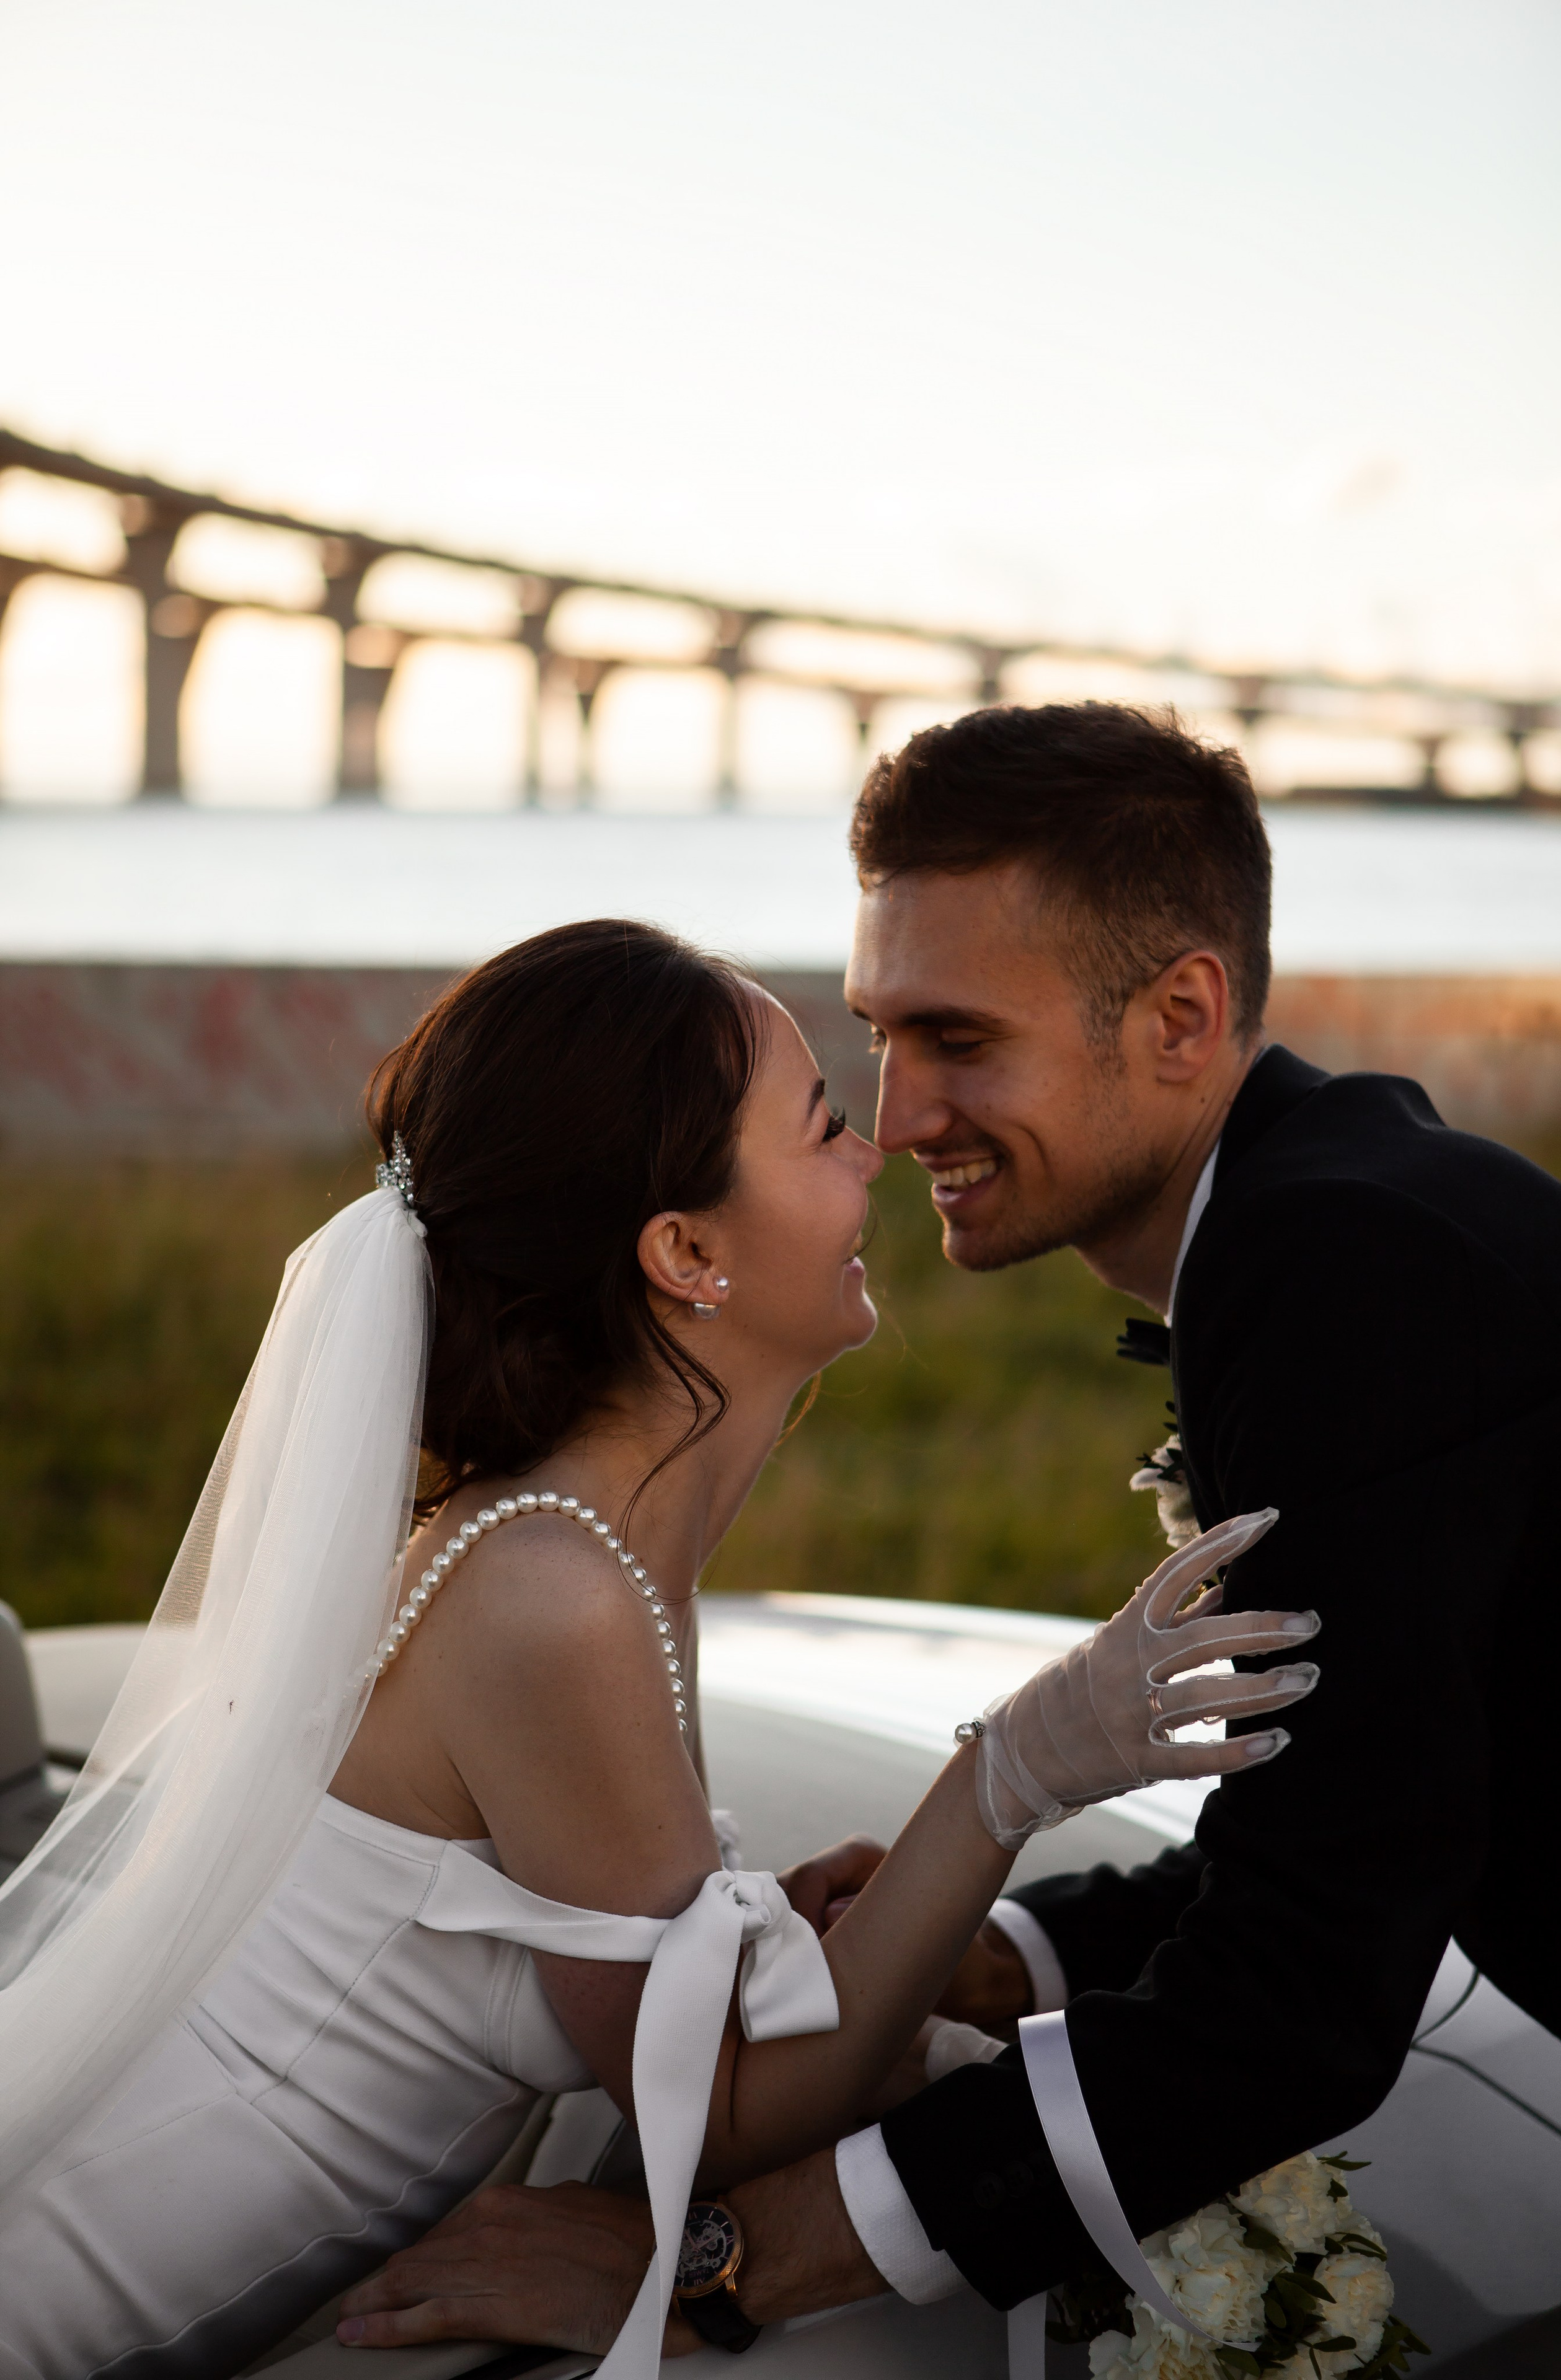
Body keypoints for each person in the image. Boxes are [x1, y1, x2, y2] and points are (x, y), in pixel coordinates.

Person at [336, 700, 1561, 2356]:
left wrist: (717, 2267)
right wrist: (994, 1955)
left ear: (1182, 1016)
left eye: (960, 1042)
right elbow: (1360, 1818)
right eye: (877, 1036)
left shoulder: (1336, 1266)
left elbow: (1300, 1993)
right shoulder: (1344, 1210)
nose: (901, 1113)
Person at [0, 917, 1321, 2380]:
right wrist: (1012, 1770)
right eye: (820, 1123)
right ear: (686, 1251)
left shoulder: (585, 1558)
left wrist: (818, 1934)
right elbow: (736, 2112)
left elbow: (693, 2028)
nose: (872, 1149)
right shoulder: (546, 1592)